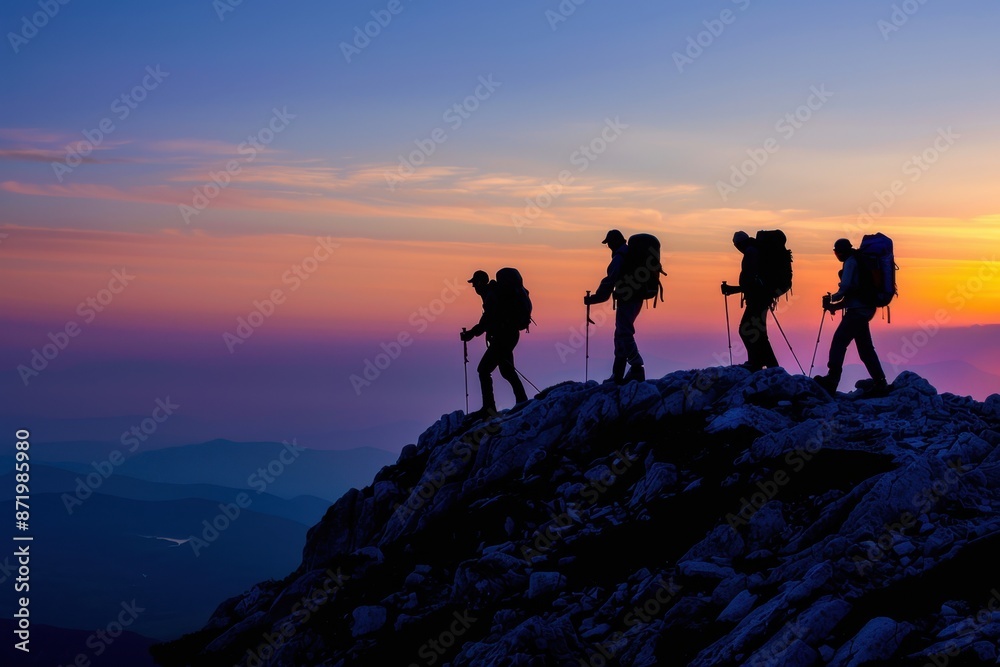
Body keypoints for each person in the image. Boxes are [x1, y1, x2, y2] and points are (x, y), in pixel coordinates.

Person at [813, 238, 889, 397]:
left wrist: (832, 299)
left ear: (839, 251)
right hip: (865, 310)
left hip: (857, 312)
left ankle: (832, 380)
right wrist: (836, 305)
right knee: (866, 349)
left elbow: (846, 288)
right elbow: (853, 296)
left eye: (836, 252)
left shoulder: (851, 262)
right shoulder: (859, 261)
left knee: (839, 342)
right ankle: (880, 382)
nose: (836, 255)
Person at [461, 270, 527, 418]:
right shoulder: (492, 293)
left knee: (483, 370)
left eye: (474, 284)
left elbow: (487, 320)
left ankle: (489, 408)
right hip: (508, 335)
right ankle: (522, 401)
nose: (473, 288)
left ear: (480, 283)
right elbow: (488, 319)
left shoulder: (491, 295)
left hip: (503, 337)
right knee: (507, 370)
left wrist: (471, 334)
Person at [583, 230, 645, 384]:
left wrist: (593, 299)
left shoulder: (619, 258)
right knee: (621, 334)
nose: (608, 246)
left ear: (615, 242)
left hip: (628, 299)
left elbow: (609, 282)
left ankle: (637, 368)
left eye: (609, 243)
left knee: (624, 333)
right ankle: (618, 375)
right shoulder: (629, 254)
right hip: (635, 298)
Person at [721, 231, 779, 371]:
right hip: (762, 297)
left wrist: (731, 289)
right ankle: (770, 365)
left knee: (746, 330)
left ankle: (756, 363)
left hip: (758, 298)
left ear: (738, 244)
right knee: (758, 332)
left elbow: (750, 282)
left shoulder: (751, 253)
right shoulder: (756, 250)